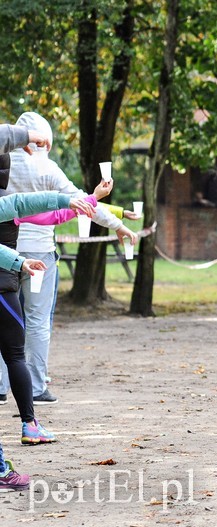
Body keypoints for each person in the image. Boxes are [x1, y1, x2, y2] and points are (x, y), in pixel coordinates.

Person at [0, 111, 138, 406]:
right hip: (40, 256)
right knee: (36, 320)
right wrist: (118, 225)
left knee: (4, 319)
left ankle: (0, 387)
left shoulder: (4, 166)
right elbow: (79, 202)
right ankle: (36, 386)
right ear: (45, 139)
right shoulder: (48, 169)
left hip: (5, 253)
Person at [0, 121, 75, 491]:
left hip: (9, 276)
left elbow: (27, 204)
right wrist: (17, 263)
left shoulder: (7, 200)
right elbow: (28, 204)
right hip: (2, 287)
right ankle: (27, 428)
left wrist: (73, 200)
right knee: (16, 351)